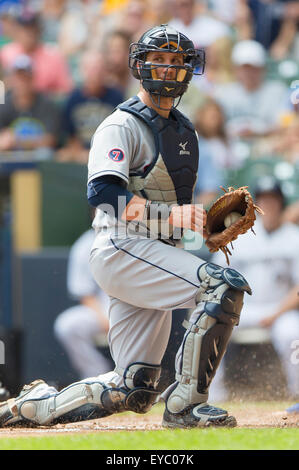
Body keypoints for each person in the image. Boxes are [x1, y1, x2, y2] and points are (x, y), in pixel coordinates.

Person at [0, 24, 252, 429]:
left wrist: (199, 224)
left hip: (153, 251)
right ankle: (186, 406)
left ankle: (33, 406)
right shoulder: (121, 125)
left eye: (176, 62)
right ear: (139, 65)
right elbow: (103, 194)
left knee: (133, 389)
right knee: (224, 284)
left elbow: (170, 206)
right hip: (122, 247)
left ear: (188, 70)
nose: (168, 70)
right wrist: (172, 217)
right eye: (160, 61)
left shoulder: (185, 131)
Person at [209, 176, 299, 401]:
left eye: (274, 201)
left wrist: (276, 314)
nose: (269, 206)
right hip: (244, 309)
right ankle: (210, 396)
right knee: (209, 327)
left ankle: (297, 395)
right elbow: (221, 278)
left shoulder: (294, 237)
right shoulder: (240, 236)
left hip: (281, 311)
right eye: (265, 201)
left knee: (293, 335)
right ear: (257, 205)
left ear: (282, 204)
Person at [54, 228, 112, 380]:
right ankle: (97, 377)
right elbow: (85, 293)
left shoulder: (138, 236)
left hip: (137, 307)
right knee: (67, 325)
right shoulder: (87, 243)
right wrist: (104, 320)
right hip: (103, 309)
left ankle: (140, 380)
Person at [213, 39, 289, 140]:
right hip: (231, 144)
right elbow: (213, 126)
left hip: (266, 143)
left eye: (253, 68)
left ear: (263, 68)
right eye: (244, 68)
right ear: (235, 69)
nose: (248, 73)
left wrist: (257, 133)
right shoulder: (223, 92)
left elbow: (285, 125)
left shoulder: (278, 91)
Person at [57, 50, 124, 164]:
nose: (95, 73)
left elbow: (119, 135)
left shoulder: (116, 97)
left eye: (99, 68)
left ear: (105, 71)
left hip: (109, 154)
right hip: (80, 155)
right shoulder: (73, 99)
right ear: (83, 70)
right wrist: (80, 153)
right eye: (91, 68)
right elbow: (70, 135)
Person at [0, 11, 73, 97]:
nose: (27, 34)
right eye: (24, 29)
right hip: (13, 104)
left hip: (44, 104)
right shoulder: (5, 53)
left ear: (39, 31)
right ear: (17, 30)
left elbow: (66, 90)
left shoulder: (54, 55)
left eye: (31, 30)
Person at [0, 54, 61, 153]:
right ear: (12, 79)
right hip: (10, 163)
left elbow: (50, 140)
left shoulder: (47, 104)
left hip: (39, 163)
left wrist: (17, 140)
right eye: (18, 78)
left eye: (26, 78)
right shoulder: (3, 105)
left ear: (33, 79)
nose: (22, 83)